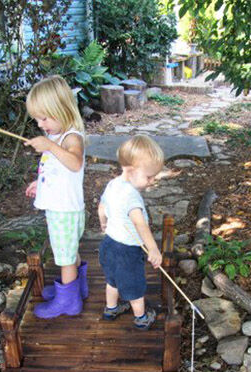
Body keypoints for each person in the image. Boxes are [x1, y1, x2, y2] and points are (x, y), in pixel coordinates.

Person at [24, 75, 88, 318]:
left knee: (64, 257)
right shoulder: (56, 137)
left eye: (44, 117)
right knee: (69, 250)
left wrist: (50, 146)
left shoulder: (71, 138)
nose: (40, 124)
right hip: (62, 208)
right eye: (37, 119)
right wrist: (39, 184)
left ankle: (69, 302)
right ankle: (77, 288)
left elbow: (74, 163)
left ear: (61, 110)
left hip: (65, 211)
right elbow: (57, 171)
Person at [98, 135, 164, 330]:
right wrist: (153, 249)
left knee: (112, 281)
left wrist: (103, 223)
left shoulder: (112, 184)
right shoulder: (132, 197)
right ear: (131, 170)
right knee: (134, 287)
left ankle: (111, 309)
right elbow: (140, 225)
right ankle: (142, 317)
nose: (152, 181)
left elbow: (101, 207)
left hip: (108, 245)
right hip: (127, 252)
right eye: (149, 177)